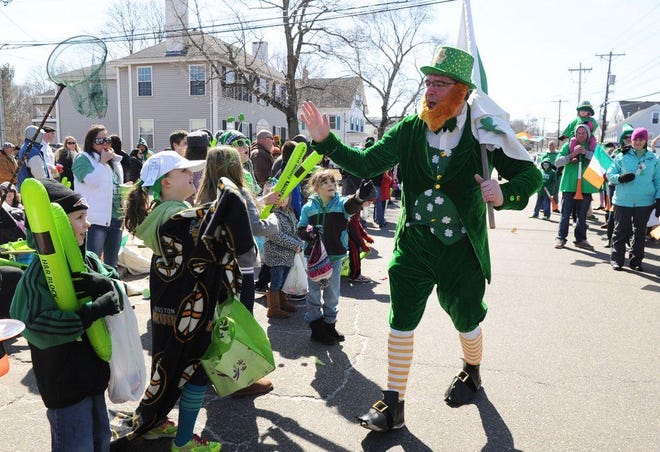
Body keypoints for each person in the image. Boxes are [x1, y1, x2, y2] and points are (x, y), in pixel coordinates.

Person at [300, 45, 541, 431]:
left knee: (466, 317)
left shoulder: (485, 131)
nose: (429, 91)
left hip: (461, 249)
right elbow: (366, 164)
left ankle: (472, 371)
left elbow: (531, 176)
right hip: (413, 245)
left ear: (461, 90)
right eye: (427, 82)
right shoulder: (409, 129)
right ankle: (393, 404)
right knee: (401, 319)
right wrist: (326, 141)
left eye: (440, 84)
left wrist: (504, 193)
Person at [10, 178, 125, 451]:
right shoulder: (39, 274)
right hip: (64, 385)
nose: (87, 224)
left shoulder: (89, 261)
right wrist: (90, 313)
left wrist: (109, 286)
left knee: (100, 441)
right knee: (76, 444)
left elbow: (118, 290)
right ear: (56, 225)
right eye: (80, 218)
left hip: (94, 377)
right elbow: (33, 325)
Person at [122, 151, 226, 450]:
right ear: (166, 182)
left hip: (167, 309)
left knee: (166, 363)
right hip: (188, 310)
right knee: (195, 369)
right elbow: (210, 240)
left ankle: (155, 421)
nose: (192, 174)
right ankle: (183, 442)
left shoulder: (162, 211)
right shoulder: (177, 215)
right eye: (184, 172)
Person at [195, 146, 278, 397]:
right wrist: (273, 221)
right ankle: (238, 380)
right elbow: (255, 226)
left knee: (218, 323)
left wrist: (262, 201)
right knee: (239, 325)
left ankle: (214, 373)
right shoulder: (238, 192)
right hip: (241, 270)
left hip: (214, 270)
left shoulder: (205, 194)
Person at [297, 169, 369, 345]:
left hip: (335, 256)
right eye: (325, 182)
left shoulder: (340, 203)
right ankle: (317, 329)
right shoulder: (308, 207)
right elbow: (300, 229)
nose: (331, 185)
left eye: (333, 182)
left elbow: (351, 205)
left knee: (332, 294)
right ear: (316, 187)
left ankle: (330, 326)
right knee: (314, 294)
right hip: (314, 257)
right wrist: (308, 233)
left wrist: (360, 197)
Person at [606, 128, 660, 271]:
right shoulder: (622, 156)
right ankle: (616, 259)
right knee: (620, 230)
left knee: (640, 232)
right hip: (623, 200)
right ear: (632, 140)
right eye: (635, 139)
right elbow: (610, 173)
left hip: (645, 202)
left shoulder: (653, 159)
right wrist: (620, 178)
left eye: (641, 139)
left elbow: (658, 180)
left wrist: (659, 198)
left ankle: (636, 261)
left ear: (645, 141)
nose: (637, 142)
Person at [72, 125, 124, 268]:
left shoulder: (113, 162)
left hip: (115, 218)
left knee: (112, 263)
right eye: (100, 141)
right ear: (90, 142)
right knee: (92, 262)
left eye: (107, 140)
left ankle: (112, 287)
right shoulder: (82, 158)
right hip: (95, 220)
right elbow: (92, 181)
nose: (105, 144)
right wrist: (102, 162)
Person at [554, 123, 599, 250]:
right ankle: (561, 238)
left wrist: (586, 153)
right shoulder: (568, 146)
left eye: (583, 133)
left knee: (582, 215)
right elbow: (557, 162)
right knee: (565, 214)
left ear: (588, 134)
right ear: (575, 134)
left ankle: (581, 239)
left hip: (586, 187)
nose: (581, 135)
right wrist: (572, 155)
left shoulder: (593, 146)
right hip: (569, 186)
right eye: (578, 133)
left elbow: (600, 161)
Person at [262, 190, 304, 316]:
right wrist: (295, 244)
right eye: (278, 197)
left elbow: (295, 230)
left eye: (285, 197)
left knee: (284, 279)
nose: (282, 199)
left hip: (288, 254)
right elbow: (276, 235)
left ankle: (281, 302)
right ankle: (273, 308)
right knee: (276, 280)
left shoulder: (290, 212)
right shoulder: (272, 214)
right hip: (276, 254)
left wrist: (300, 244)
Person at [217, 130, 258, 194]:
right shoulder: (222, 176)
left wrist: (266, 191)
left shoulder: (247, 173)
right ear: (228, 148)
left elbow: (254, 197)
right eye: (240, 143)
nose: (246, 146)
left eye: (247, 142)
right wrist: (265, 200)